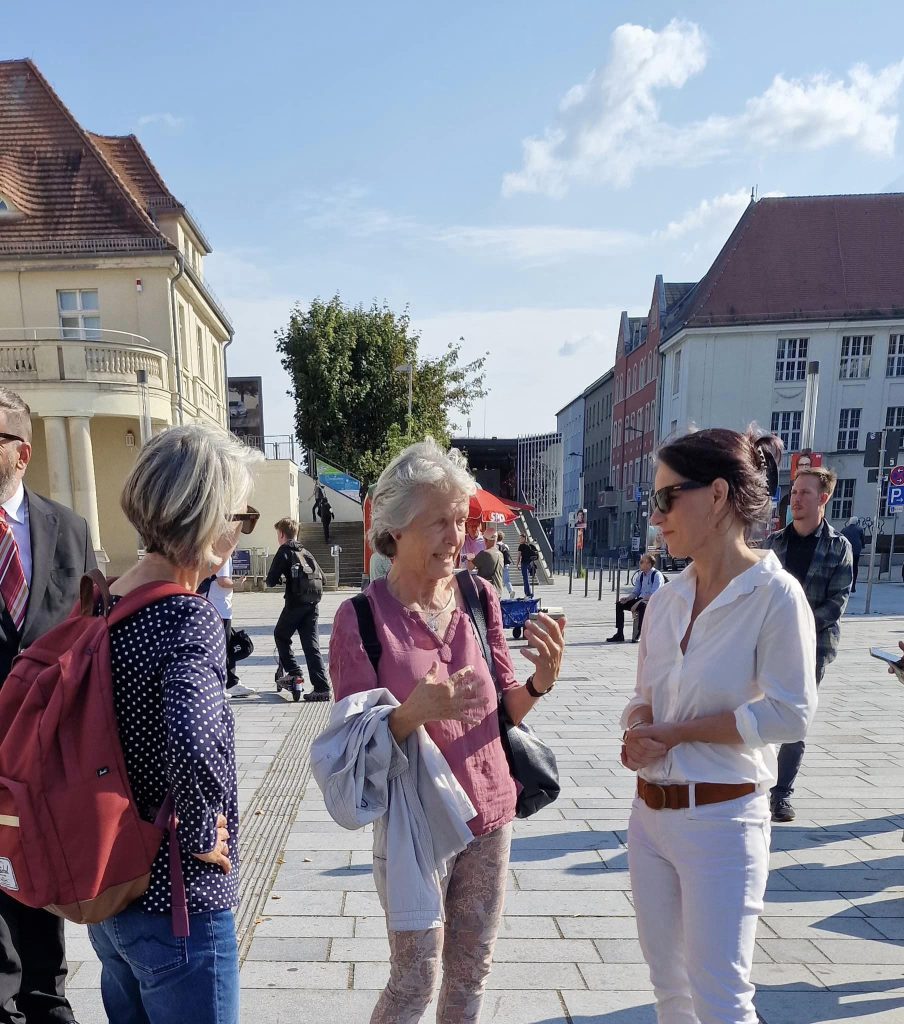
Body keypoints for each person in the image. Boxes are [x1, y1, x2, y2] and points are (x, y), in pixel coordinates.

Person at [328, 439, 565, 1023]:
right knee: (414, 980)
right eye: (438, 522)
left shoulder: (479, 597)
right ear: (397, 530)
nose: (456, 536)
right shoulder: (360, 618)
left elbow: (503, 710)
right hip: (418, 822)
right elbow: (352, 749)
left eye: (460, 521)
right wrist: (412, 713)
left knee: (469, 975)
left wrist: (541, 682)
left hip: (490, 813)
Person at [621, 427, 816, 1024]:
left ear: (716, 495)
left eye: (664, 499)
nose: (656, 518)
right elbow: (643, 697)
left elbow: (791, 712)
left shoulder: (774, 596)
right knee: (671, 995)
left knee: (721, 1000)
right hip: (650, 820)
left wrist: (679, 734)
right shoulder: (667, 597)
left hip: (723, 819)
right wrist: (637, 728)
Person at [85, 423, 262, 1024]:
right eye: (240, 516)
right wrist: (199, 828)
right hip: (177, 901)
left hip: (112, 894)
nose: (239, 531)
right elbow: (196, 734)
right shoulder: (187, 617)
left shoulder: (106, 601)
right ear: (210, 522)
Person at [0, 388, 96, 1024]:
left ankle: (46, 1002)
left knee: (35, 884)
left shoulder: (68, 528)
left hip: (43, 756)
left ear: (21, 452)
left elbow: (91, 633)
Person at [763, 466, 853, 822]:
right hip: (769, 646)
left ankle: (781, 794)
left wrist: (795, 628)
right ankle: (756, 785)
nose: (796, 499)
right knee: (759, 713)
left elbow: (836, 602)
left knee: (795, 720)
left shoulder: (838, 546)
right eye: (795, 492)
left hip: (812, 648)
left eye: (805, 493)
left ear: (824, 499)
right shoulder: (775, 543)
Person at [267, 518, 331, 703]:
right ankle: (322, 688)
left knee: (281, 635)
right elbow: (323, 579)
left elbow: (271, 581)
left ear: (281, 534)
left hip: (295, 604)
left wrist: (281, 578)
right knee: (312, 646)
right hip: (312, 605)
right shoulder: (306, 551)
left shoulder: (284, 551)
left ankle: (294, 673)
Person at [206, 557, 256, 699]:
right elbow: (222, 581)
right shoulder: (223, 555)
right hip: (219, 607)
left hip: (215, 605)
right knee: (224, 647)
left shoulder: (214, 552)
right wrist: (237, 584)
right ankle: (228, 684)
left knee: (223, 646)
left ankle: (229, 682)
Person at [606, 554, 664, 644]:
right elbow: (636, 592)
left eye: (641, 562)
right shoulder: (641, 575)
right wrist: (628, 598)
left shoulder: (657, 575)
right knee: (619, 604)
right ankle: (619, 633)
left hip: (652, 602)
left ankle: (640, 632)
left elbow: (654, 594)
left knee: (642, 606)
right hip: (641, 599)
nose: (639, 564)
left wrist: (638, 602)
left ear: (648, 564)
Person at [473, 529, 504, 596]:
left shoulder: (484, 553)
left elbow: (470, 567)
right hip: (498, 589)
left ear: (486, 540)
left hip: (486, 590)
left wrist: (470, 558)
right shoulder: (500, 554)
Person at [841, 516, 865, 593]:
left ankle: (844, 585)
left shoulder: (844, 530)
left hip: (846, 551)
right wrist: (863, 546)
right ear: (857, 522)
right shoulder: (860, 529)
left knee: (845, 568)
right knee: (855, 567)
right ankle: (853, 585)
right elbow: (862, 539)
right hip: (856, 552)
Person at [517, 533, 537, 598]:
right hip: (530, 563)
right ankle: (528, 593)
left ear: (523, 538)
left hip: (524, 563)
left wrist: (517, 564)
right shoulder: (529, 545)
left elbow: (519, 556)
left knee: (525, 579)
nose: (519, 539)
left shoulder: (521, 546)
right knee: (526, 579)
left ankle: (528, 594)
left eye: (520, 538)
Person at [496, 532, 515, 599]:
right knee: (507, 580)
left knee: (498, 580)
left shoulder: (496, 546)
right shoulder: (506, 545)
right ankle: (511, 590)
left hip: (499, 565)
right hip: (506, 564)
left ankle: (499, 594)